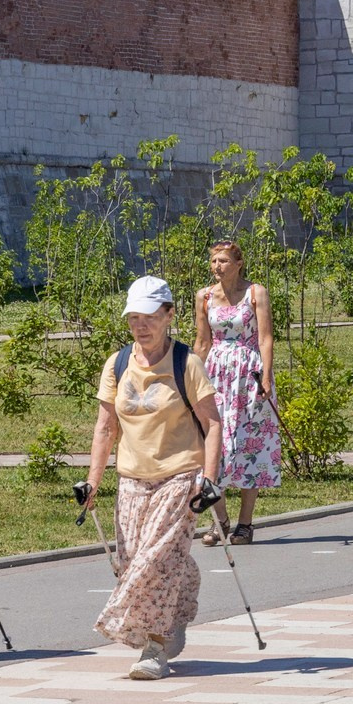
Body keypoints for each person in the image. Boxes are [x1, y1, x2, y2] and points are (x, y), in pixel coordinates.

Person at [82, 275, 224, 680]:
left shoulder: (186, 363)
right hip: (131, 478)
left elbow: (213, 424)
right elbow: (105, 428)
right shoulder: (117, 363)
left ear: (169, 315)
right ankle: (183, 590)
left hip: (179, 475)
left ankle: (154, 649)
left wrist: (209, 479)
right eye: (134, 318)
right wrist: (92, 482)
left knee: (154, 562)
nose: (140, 326)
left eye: (149, 317)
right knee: (133, 562)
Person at [194, 242, 280, 542]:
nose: (217, 266)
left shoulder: (256, 292)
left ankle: (245, 523)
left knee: (248, 445)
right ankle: (219, 520)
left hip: (248, 374)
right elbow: (202, 342)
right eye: (214, 261)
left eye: (224, 261)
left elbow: (266, 338)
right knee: (211, 444)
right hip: (216, 374)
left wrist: (266, 377)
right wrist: (190, 379)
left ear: (239, 263)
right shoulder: (205, 296)